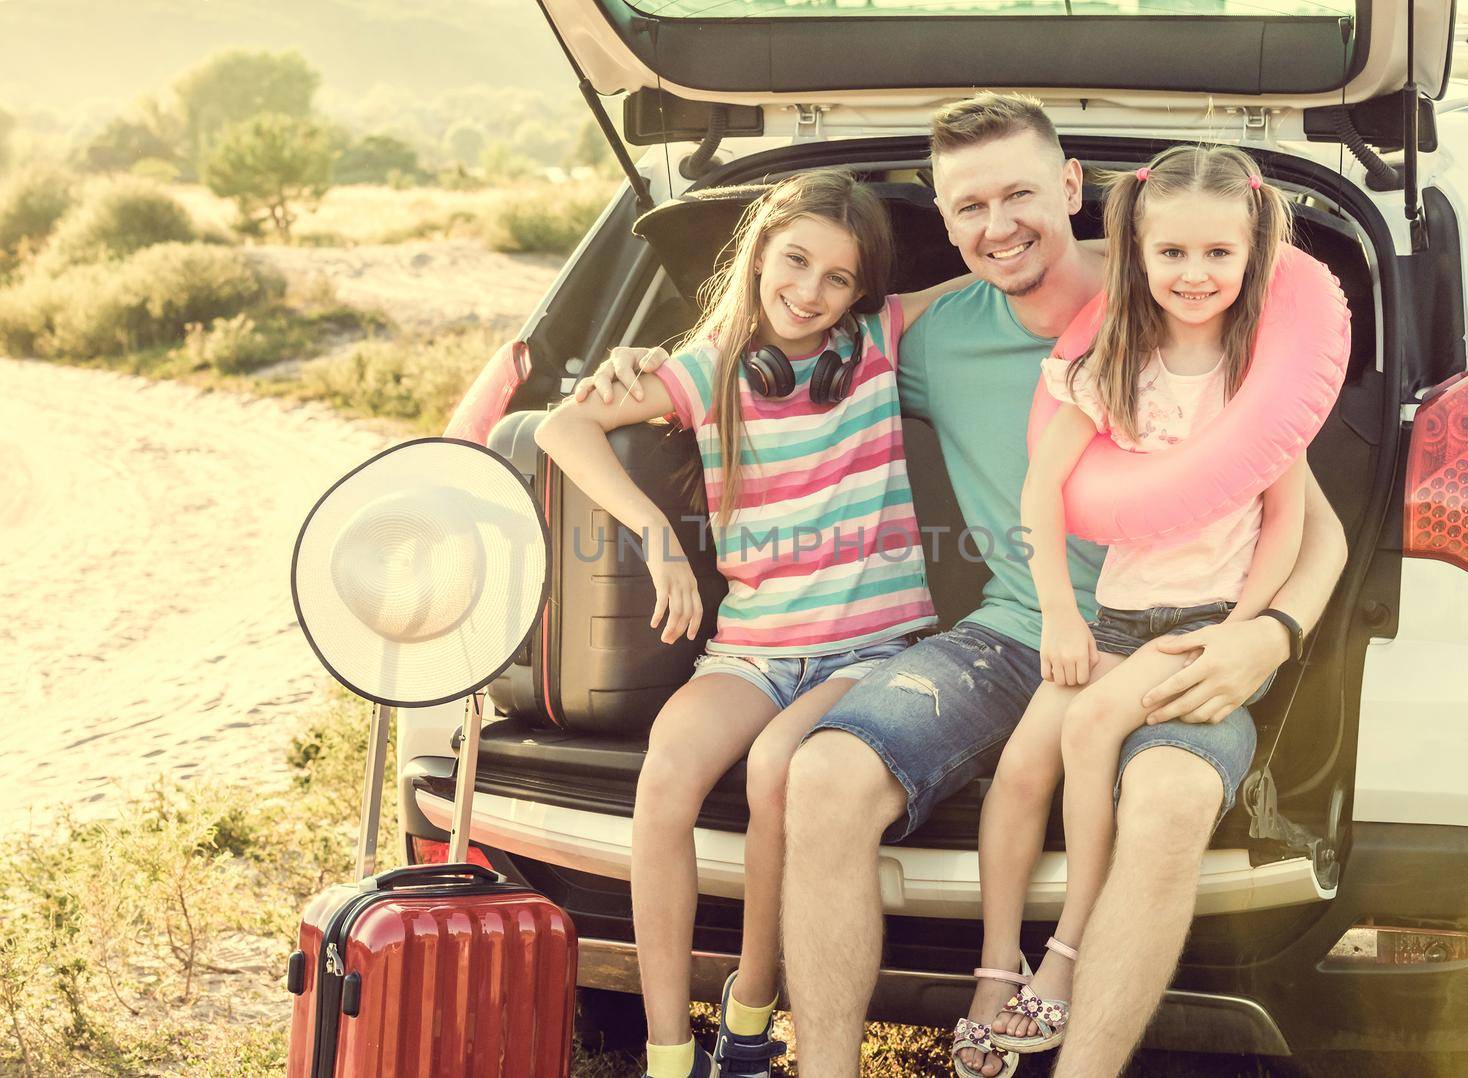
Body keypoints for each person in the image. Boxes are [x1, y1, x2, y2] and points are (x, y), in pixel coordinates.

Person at [577, 93, 1348, 1078]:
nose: (999, 225)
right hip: (1012, 633)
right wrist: (642, 364)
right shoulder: (932, 341)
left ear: (1072, 188)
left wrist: (1267, 636)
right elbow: (775, 352)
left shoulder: (1180, 303)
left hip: (1181, 636)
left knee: (1165, 798)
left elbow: (1310, 520)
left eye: (1021, 193)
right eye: (969, 207)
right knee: (821, 771)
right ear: (943, 223)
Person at [535, 169, 961, 1078]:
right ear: (760, 250)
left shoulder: (880, 342)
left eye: (838, 278)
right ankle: (667, 1051)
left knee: (777, 773)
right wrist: (655, 533)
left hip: (871, 650)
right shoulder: (707, 369)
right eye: (795, 260)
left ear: (862, 292)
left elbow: (1002, 275)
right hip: (754, 652)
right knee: (666, 778)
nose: (809, 292)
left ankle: (752, 1013)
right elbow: (560, 431)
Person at [958, 145, 1307, 1076]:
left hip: (1202, 620)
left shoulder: (1260, 376)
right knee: (1023, 766)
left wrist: (1245, 628)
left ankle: (1068, 952)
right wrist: (1060, 615)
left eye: (1217, 256)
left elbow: (1291, 522)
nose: (1195, 277)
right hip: (1113, 617)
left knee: (1091, 732)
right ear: (1138, 255)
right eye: (1173, 256)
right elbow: (1044, 488)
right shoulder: (1117, 360)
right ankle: (998, 968)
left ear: (1253, 252)